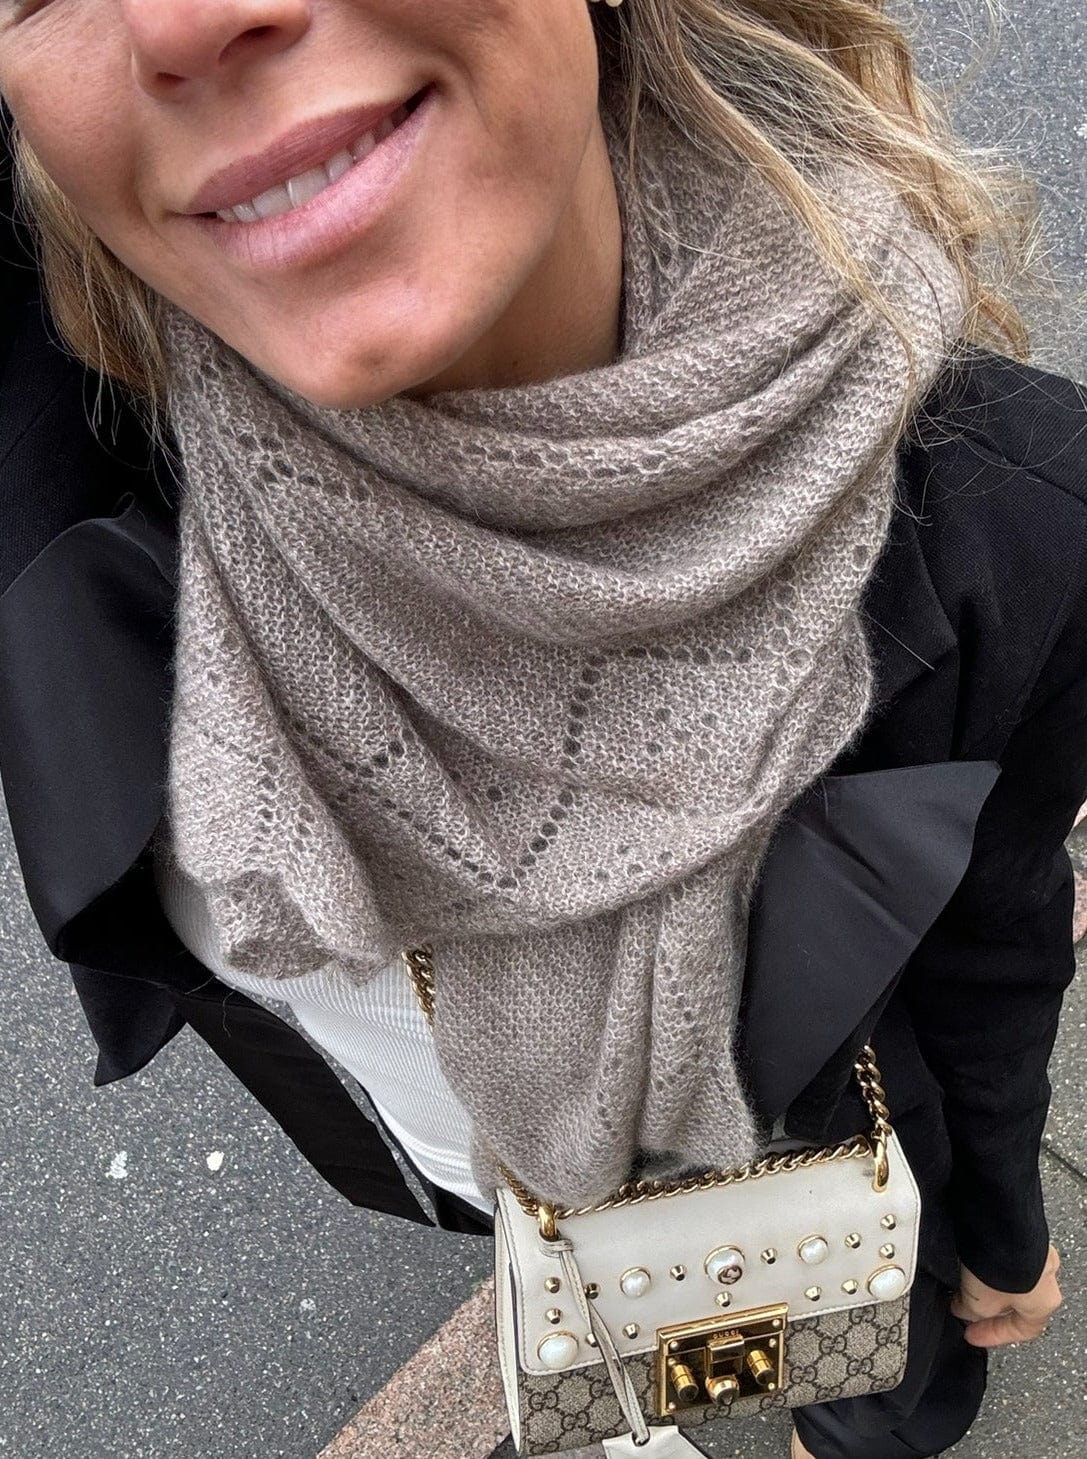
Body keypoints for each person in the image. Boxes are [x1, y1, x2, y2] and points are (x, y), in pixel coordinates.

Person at [0, 3, 1080, 1457]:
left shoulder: (1011, 513)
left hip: (809, 1168)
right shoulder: (90, 424)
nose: (184, 16)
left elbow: (993, 948)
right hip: (476, 1174)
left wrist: (1002, 1230)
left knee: (871, 1381)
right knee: (618, 1327)